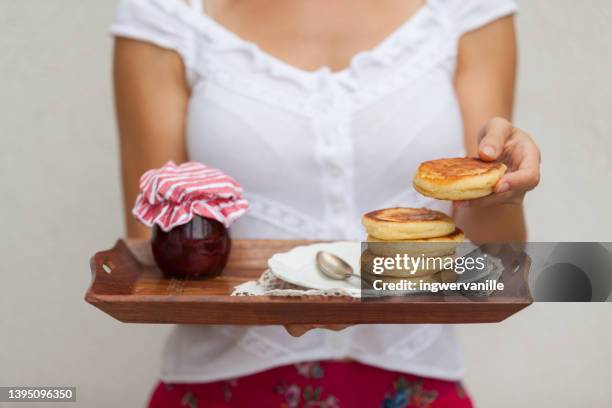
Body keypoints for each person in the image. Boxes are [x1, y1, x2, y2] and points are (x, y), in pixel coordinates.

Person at [111, 0, 540, 406]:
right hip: (217, 390)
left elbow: (494, 269)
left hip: (418, 386)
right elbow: (151, 253)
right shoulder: (167, 12)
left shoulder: (466, 11)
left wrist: (502, 194)